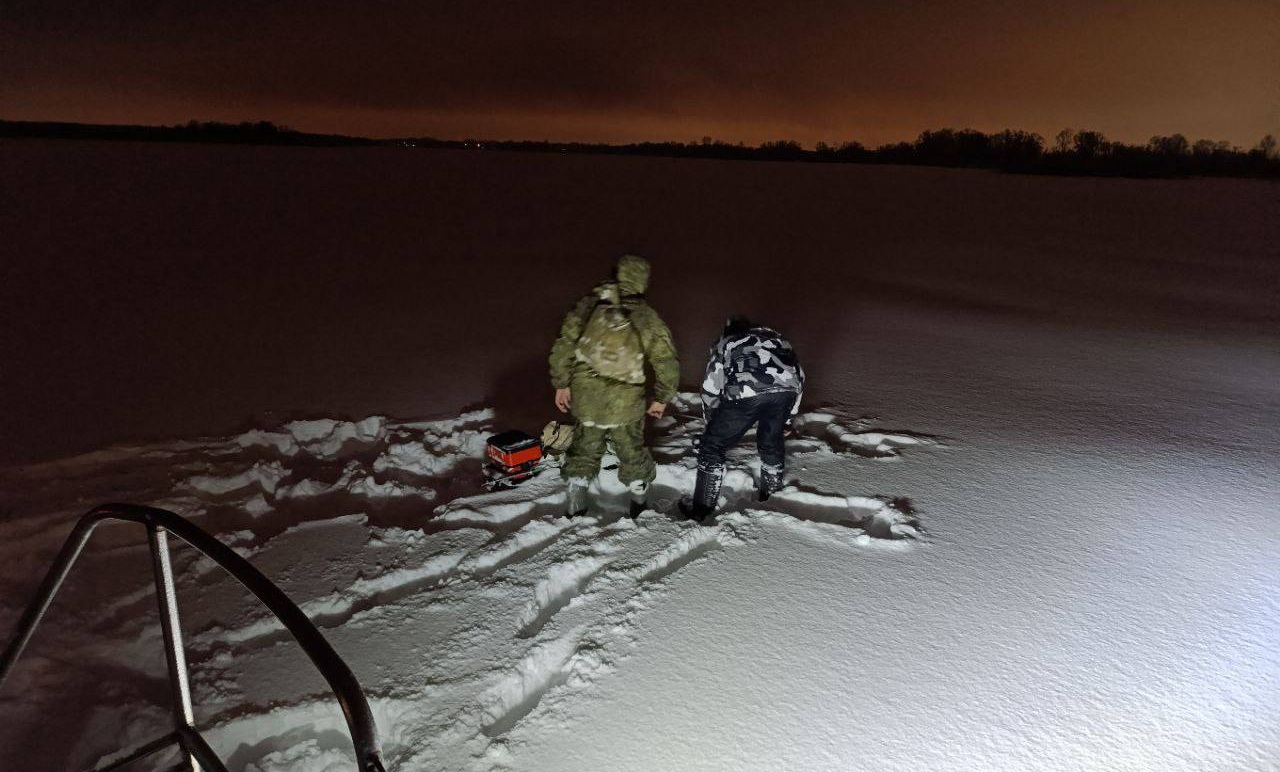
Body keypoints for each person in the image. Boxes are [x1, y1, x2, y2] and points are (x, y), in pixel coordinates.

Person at [549, 255, 679, 518]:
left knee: (584, 449)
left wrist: (561, 384)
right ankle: (639, 508)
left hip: (586, 397)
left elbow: (564, 346)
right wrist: (662, 397)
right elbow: (666, 361)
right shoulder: (647, 317)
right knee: (631, 450)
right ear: (642, 281)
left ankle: (576, 509)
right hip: (626, 403)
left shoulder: (588, 306)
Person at [680, 316, 805, 521]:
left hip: (746, 393)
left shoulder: (726, 343)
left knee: (712, 446)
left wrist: (712, 422)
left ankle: (701, 509)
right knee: (771, 440)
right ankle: (771, 494)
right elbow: (799, 375)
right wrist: (788, 419)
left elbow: (711, 388)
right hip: (786, 391)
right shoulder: (778, 341)